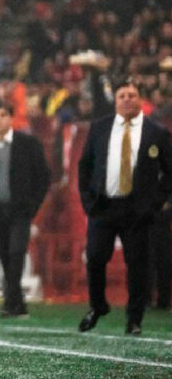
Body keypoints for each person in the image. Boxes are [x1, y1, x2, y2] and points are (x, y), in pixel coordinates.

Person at [78, 80, 172, 335]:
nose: (127, 99)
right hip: (103, 207)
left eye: (132, 95)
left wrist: (157, 201)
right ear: (115, 100)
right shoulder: (99, 128)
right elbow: (85, 166)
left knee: (138, 266)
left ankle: (134, 319)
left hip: (137, 211)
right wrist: (88, 201)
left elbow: (169, 171)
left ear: (141, 99)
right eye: (122, 95)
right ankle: (98, 306)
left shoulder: (157, 132)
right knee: (95, 258)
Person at [0, 102, 49, 318]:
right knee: (5, 255)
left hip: (21, 211)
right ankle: (18, 303)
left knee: (16, 253)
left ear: (11, 118)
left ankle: (9, 302)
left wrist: (33, 205)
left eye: (3, 115)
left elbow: (43, 176)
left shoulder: (28, 144)